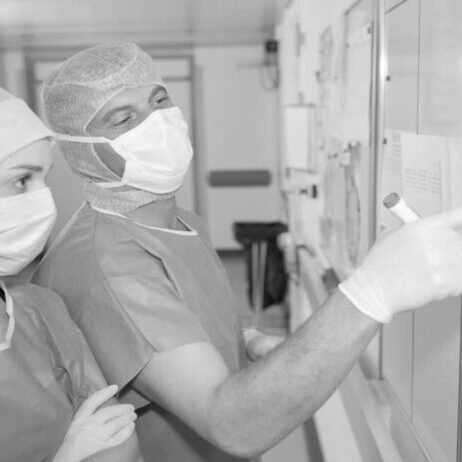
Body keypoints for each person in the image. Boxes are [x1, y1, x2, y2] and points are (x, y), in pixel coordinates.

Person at [33, 42, 462, 461]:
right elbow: (231, 424)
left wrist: (242, 343)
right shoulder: (111, 264)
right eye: (123, 119)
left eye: (158, 99)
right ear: (83, 151)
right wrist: (373, 292)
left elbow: (181, 322)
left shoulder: (178, 222)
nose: (156, 122)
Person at [0, 87, 143, 462]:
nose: (43, 201)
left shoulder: (39, 308)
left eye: (43, 179)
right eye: (21, 181)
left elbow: (115, 436)